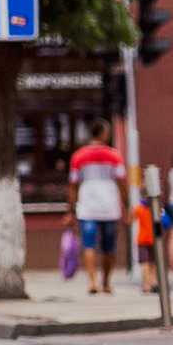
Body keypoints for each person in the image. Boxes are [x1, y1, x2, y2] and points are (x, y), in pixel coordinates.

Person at [67, 118, 128, 296]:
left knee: (89, 245)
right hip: (110, 207)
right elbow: (122, 184)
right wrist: (127, 206)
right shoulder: (114, 155)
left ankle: (92, 282)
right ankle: (106, 283)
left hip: (87, 207)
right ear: (102, 134)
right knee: (109, 247)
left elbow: (72, 185)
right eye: (107, 132)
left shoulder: (78, 156)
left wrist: (70, 210)